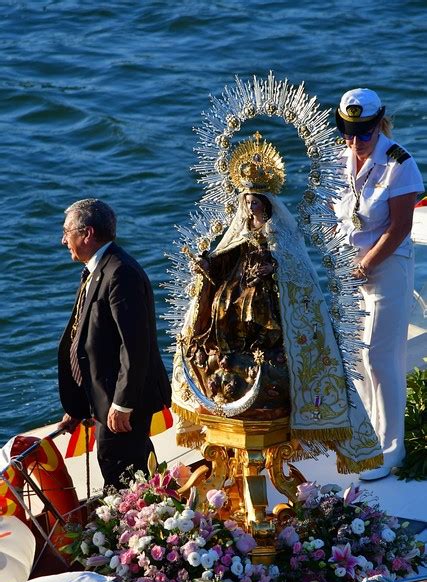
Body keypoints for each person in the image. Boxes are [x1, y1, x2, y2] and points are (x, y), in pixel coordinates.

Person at [172, 133, 383, 473]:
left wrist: (272, 267)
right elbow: (225, 259)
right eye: (247, 203)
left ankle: (263, 347)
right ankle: (233, 346)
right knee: (224, 301)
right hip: (239, 288)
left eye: (256, 203)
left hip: (267, 295)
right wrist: (209, 266)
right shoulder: (238, 233)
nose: (251, 209)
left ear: (267, 205)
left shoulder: (281, 235)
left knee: (253, 304)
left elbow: (295, 273)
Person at [333, 88, 424, 480]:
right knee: (356, 357)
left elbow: (400, 226)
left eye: (364, 133)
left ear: (379, 125)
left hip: (386, 267)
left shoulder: (399, 164)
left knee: (380, 358)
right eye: (348, 132)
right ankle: (368, 435)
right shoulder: (341, 159)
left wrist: (367, 263)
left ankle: (392, 449)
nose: (355, 141)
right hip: (350, 269)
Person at [58, 198, 171, 488]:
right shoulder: (98, 270)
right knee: (128, 471)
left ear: (87, 233)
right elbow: (91, 341)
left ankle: (139, 530)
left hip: (120, 403)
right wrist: (81, 403)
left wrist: (123, 403)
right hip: (105, 399)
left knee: (123, 474)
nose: (63, 240)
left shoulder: (120, 273)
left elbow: (135, 345)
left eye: (67, 232)